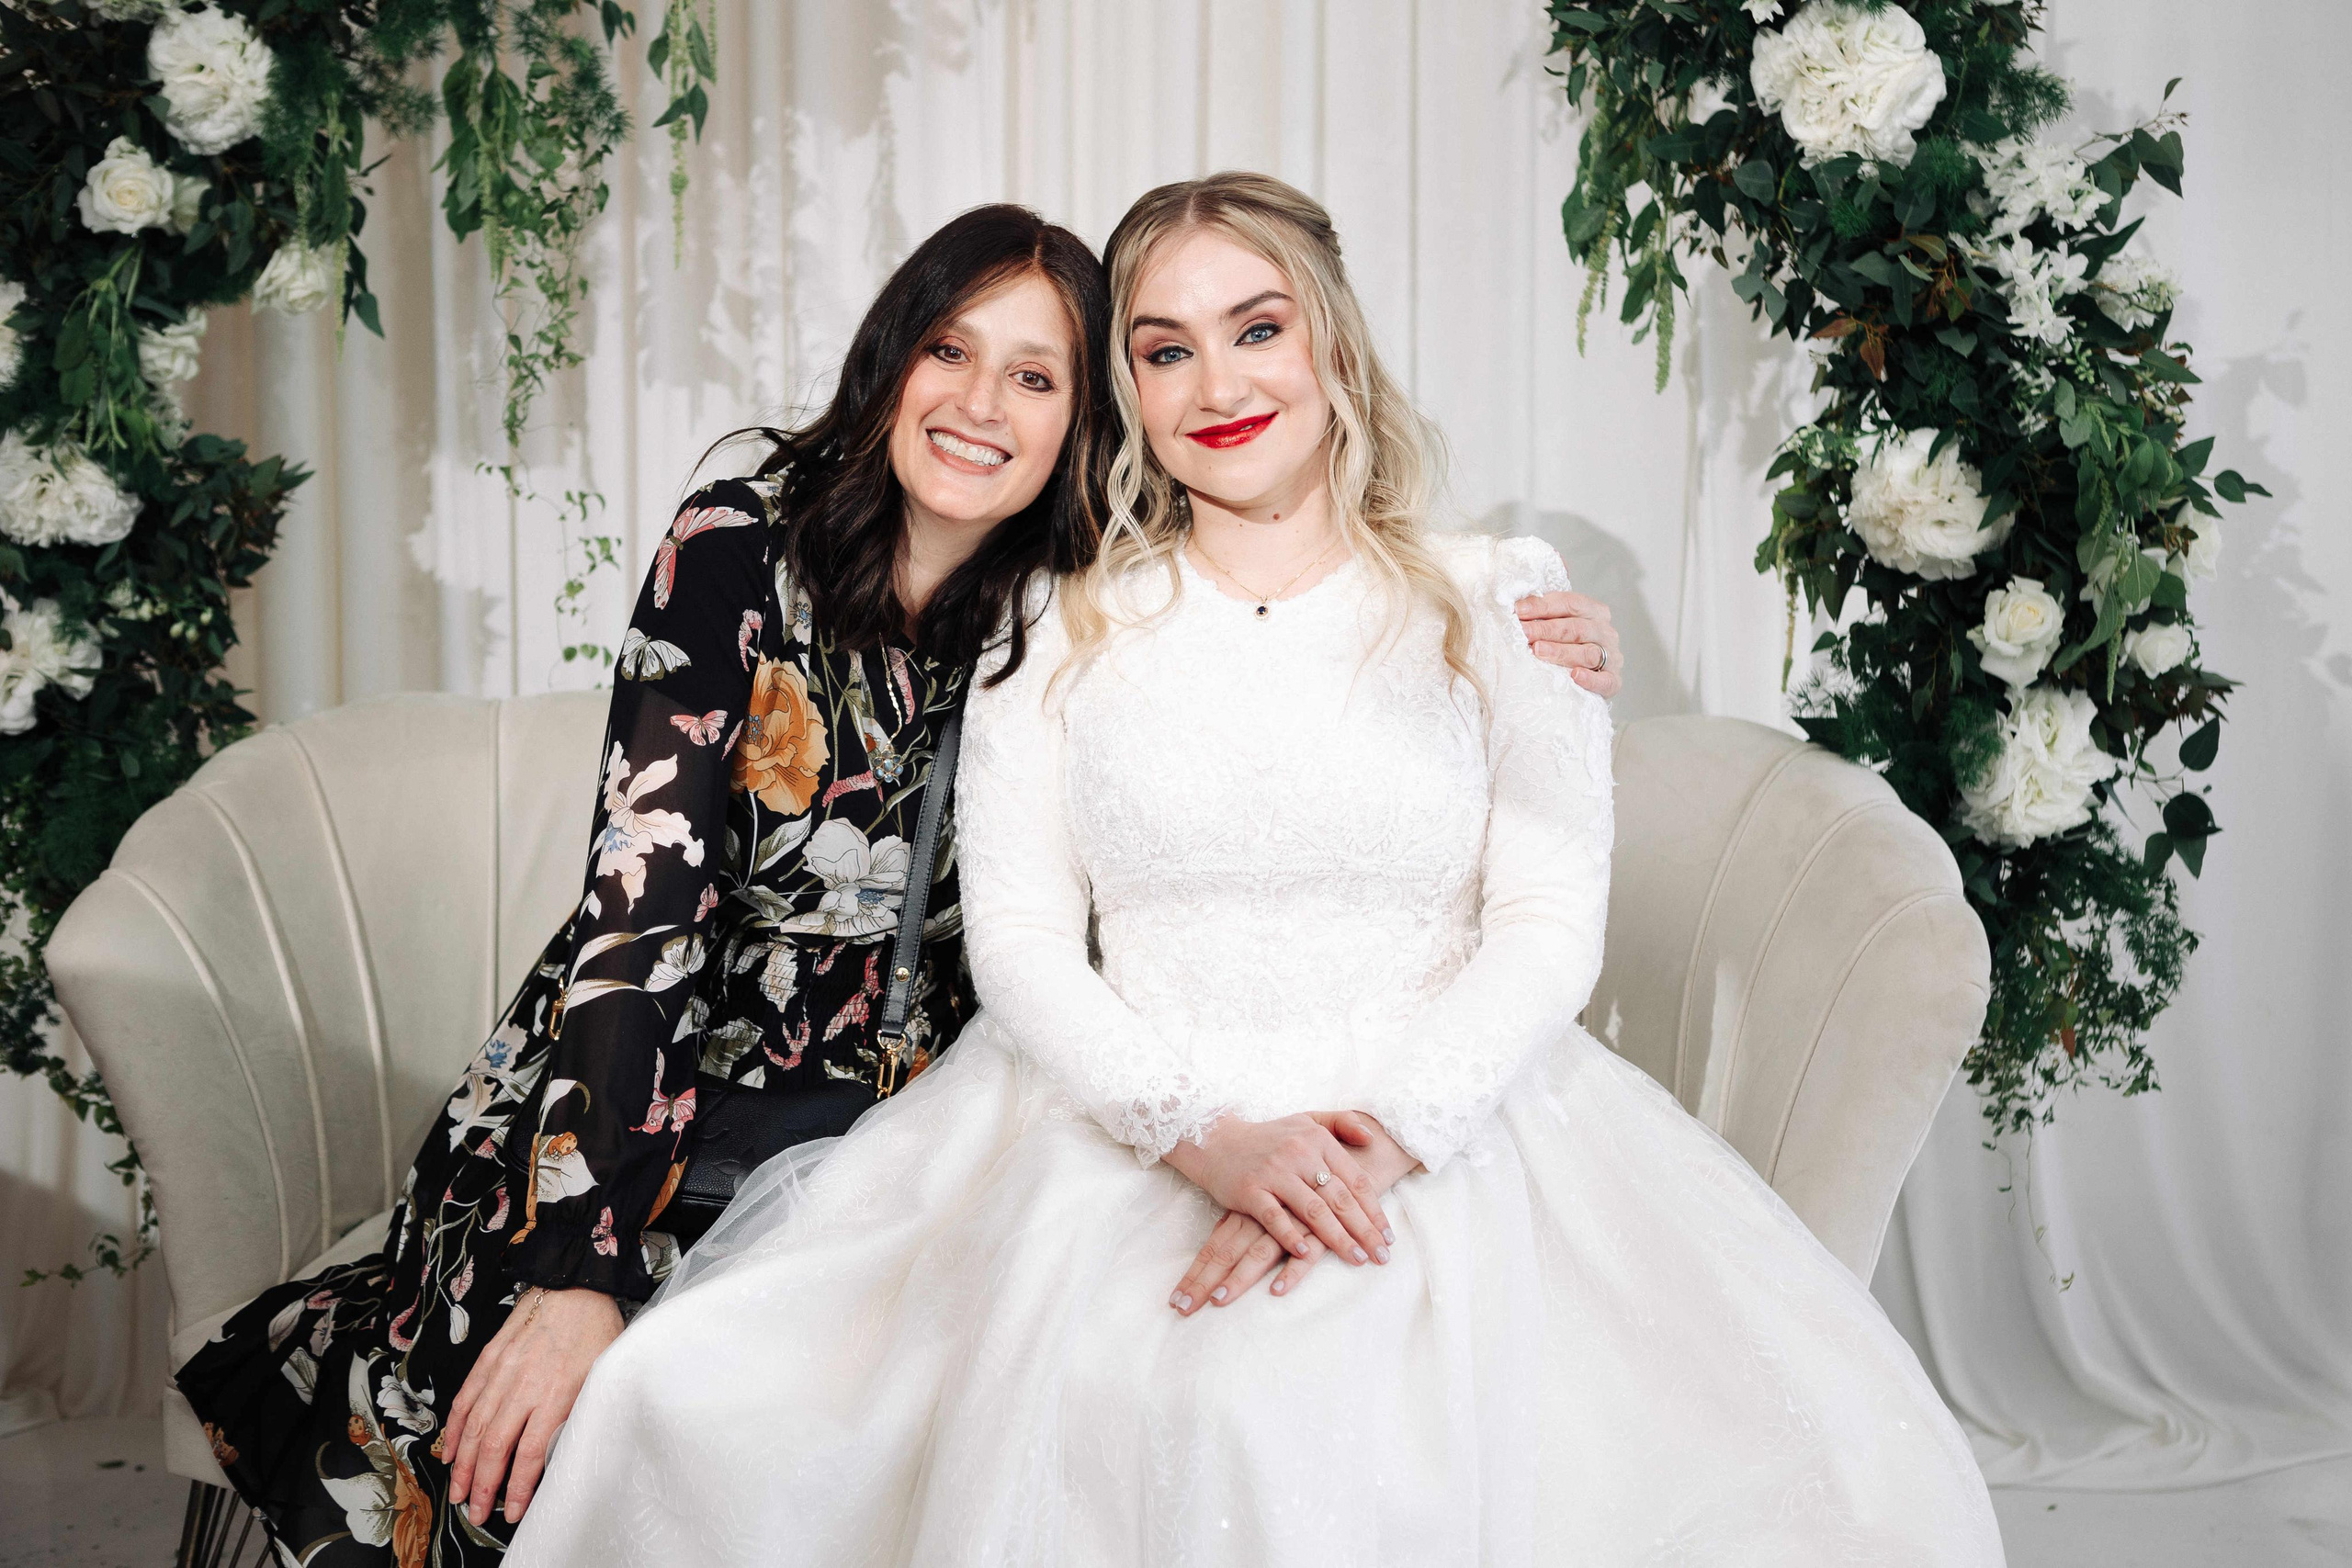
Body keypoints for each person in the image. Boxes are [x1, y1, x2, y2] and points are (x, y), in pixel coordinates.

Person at [502, 172, 2004, 1567]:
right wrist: (1202, 1142)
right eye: (1163, 352)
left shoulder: (1507, 602)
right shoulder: (1062, 620)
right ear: (1129, 398)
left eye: (1258, 330)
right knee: (716, 1405)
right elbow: (1022, 934)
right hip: (1114, 1124)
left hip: (1446, 1128)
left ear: (1333, 346)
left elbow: (1549, 920)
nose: (1218, 387)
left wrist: (1377, 1148)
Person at [171, 199, 1624, 1565]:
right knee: (548, 1419)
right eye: (950, 351)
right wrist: (580, 1265)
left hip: (897, 1095)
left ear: (1085, 424)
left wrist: (1534, 661)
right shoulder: (745, 538)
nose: (982, 407)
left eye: (1038, 377)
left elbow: (1283, 710)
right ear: (892, 358)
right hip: (658, 1082)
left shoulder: (1059, 592)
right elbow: (645, 906)